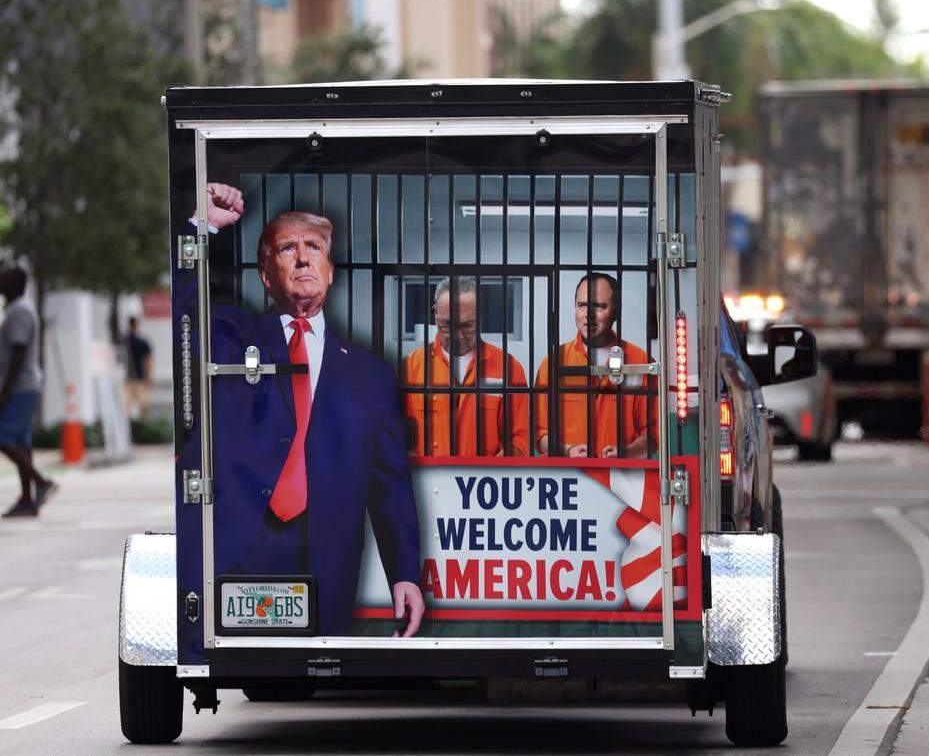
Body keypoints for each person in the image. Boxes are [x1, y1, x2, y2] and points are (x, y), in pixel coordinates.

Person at [181, 183, 423, 637]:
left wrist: (405, 572)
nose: (303, 257)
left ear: (330, 272)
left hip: (329, 557)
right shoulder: (234, 341)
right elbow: (187, 310)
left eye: (314, 247)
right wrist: (204, 226)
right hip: (246, 549)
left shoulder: (371, 375)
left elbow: (390, 483)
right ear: (266, 274)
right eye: (287, 248)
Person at [401, 276, 530, 457]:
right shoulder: (409, 369)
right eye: (447, 325)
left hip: (483, 482)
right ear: (435, 314)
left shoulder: (509, 369)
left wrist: (494, 469)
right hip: (425, 483)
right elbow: (394, 436)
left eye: (467, 325)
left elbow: (520, 437)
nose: (457, 336)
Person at [534, 272, 658, 458]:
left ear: (616, 311)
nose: (588, 315)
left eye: (599, 306)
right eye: (582, 305)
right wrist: (567, 450)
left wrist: (626, 453)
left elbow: (654, 434)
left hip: (619, 481)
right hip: (570, 480)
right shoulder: (553, 363)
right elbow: (540, 432)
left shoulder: (641, 362)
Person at [0, 267, 58, 518]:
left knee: (3, 439)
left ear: (16, 283)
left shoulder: (19, 310)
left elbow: (18, 351)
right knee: (20, 442)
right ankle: (27, 499)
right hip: (24, 387)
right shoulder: (17, 309)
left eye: (4, 276)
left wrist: (5, 391)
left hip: (19, 387)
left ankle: (41, 483)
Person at [122, 316, 152, 418]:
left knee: (127, 406)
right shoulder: (142, 342)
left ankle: (132, 426)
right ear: (137, 325)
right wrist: (148, 377)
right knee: (142, 405)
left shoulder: (124, 341)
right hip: (140, 377)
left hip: (127, 378)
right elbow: (147, 361)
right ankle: (142, 425)